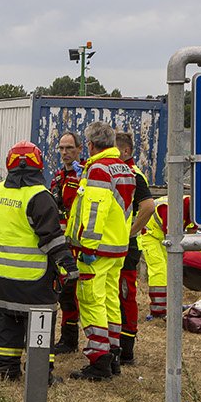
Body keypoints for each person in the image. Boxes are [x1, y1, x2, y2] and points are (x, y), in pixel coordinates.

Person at [0, 142, 76, 380]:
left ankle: (7, 369)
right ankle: (39, 374)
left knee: (8, 320)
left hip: (4, 276)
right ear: (39, 166)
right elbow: (51, 238)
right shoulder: (40, 196)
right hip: (35, 278)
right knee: (40, 322)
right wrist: (68, 265)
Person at [66, 122, 135, 381]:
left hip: (97, 249)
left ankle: (99, 359)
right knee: (109, 300)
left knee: (91, 300)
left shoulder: (99, 169)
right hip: (117, 247)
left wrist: (88, 246)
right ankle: (113, 353)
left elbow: (95, 211)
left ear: (91, 144)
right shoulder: (123, 167)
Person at [110, 132, 159, 366]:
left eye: (114, 150)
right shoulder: (115, 173)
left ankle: (126, 349)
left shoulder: (133, 174)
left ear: (126, 151)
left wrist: (130, 232)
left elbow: (148, 206)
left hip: (128, 247)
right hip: (113, 243)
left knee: (125, 294)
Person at [49, 130, 84, 354]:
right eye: (61, 148)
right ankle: (68, 339)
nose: (65, 152)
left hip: (80, 245)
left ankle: (71, 340)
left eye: (69, 148)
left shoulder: (85, 175)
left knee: (74, 293)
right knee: (64, 291)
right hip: (61, 243)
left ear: (80, 149)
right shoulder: (58, 176)